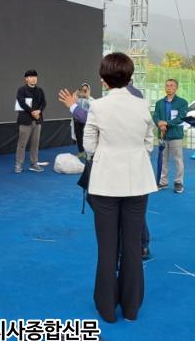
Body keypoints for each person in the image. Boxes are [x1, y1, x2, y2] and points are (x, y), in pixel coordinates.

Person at [83, 52, 157, 323]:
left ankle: (106, 307)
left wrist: (108, 154)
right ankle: (132, 306)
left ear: (103, 78)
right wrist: (133, 155)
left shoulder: (98, 107)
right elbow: (149, 143)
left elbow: (89, 146)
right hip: (138, 181)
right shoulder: (143, 105)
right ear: (129, 76)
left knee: (107, 247)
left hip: (105, 183)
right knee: (133, 245)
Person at [59, 83, 152, 260]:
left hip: (116, 164)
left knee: (127, 206)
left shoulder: (130, 96)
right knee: (122, 204)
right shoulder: (125, 95)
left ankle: (139, 244)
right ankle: (135, 244)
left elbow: (95, 118)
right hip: (116, 163)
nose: (102, 80)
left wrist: (73, 106)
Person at [152, 79, 188, 193]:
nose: (169, 87)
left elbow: (181, 118)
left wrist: (166, 123)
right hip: (162, 135)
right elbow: (155, 116)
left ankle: (179, 182)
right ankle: (163, 182)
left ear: (176, 88)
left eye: (171, 85)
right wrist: (159, 123)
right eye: (167, 85)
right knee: (163, 159)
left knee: (178, 160)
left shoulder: (182, 102)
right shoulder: (159, 103)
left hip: (176, 135)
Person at [15, 70, 47, 173]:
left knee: (35, 144)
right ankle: (19, 164)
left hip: (37, 121)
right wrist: (32, 112)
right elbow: (21, 102)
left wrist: (39, 111)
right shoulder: (21, 90)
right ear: (26, 79)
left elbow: (43, 103)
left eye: (35, 77)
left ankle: (34, 163)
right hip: (25, 120)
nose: (34, 79)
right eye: (31, 77)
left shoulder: (40, 90)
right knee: (22, 144)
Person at [71, 83, 93, 158]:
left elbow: (92, 108)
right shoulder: (78, 99)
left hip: (87, 121)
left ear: (88, 90)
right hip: (77, 121)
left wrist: (87, 97)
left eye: (85, 90)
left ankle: (88, 153)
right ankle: (81, 152)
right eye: (83, 89)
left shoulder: (91, 99)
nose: (84, 91)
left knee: (86, 137)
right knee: (78, 137)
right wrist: (75, 96)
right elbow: (73, 106)